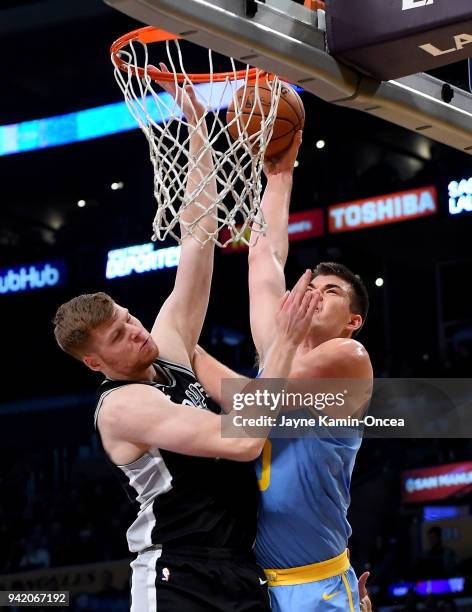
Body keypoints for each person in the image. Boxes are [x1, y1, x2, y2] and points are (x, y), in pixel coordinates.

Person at [53, 69, 319, 612]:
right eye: (119, 336)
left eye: (129, 318)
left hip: (240, 568)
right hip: (177, 576)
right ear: (93, 361)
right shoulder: (123, 408)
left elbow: (197, 239)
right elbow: (245, 440)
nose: (135, 330)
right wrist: (287, 345)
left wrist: (195, 125)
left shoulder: (167, 347)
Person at [193, 131, 373, 611]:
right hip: (257, 584)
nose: (316, 292)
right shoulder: (281, 352)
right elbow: (264, 258)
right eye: (312, 285)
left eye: (331, 292)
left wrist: (186, 352)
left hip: (318, 586)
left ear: (353, 322)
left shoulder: (349, 360)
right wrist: (279, 174)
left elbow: (252, 403)